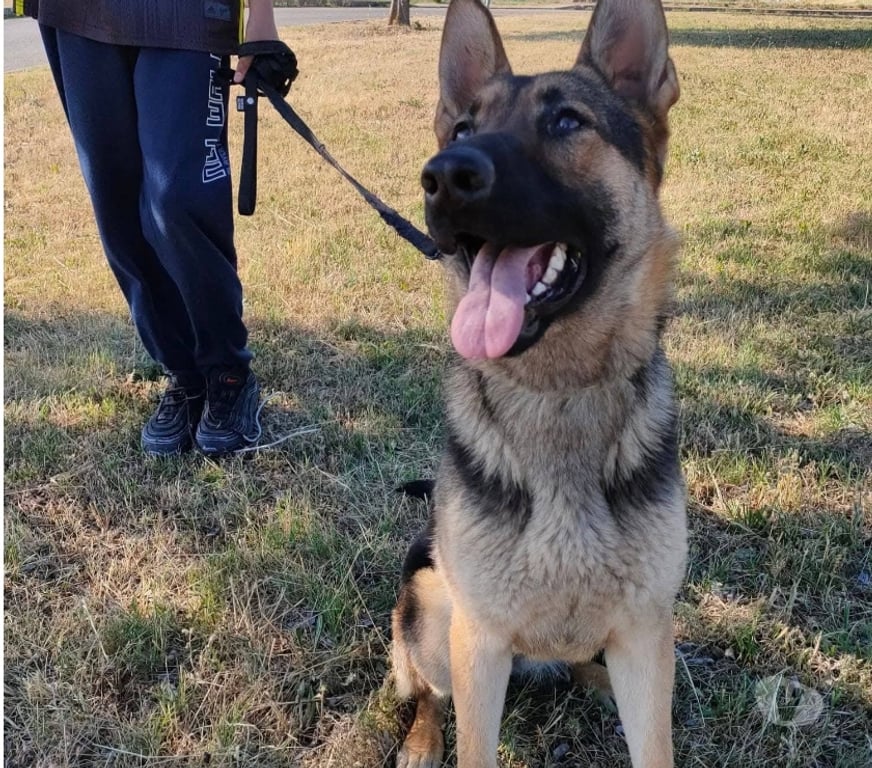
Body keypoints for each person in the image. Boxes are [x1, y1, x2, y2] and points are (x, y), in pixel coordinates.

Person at [19, 0, 279, 457]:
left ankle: (228, 371)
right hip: (76, 13)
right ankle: (184, 373)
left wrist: (262, 13)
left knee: (177, 196)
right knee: (115, 202)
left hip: (185, 12)